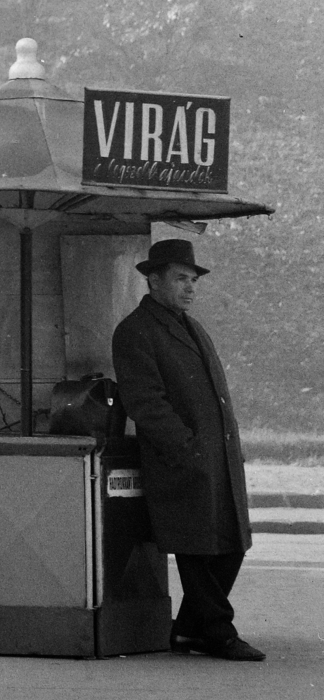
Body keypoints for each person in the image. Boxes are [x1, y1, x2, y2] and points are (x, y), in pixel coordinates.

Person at [112, 238, 264, 662]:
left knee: (233, 543)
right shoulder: (134, 331)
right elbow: (146, 402)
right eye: (181, 278)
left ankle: (187, 630)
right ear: (153, 280)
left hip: (217, 457)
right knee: (196, 546)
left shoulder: (192, 327)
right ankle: (217, 631)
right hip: (180, 459)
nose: (190, 287)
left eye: (193, 279)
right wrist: (187, 447)